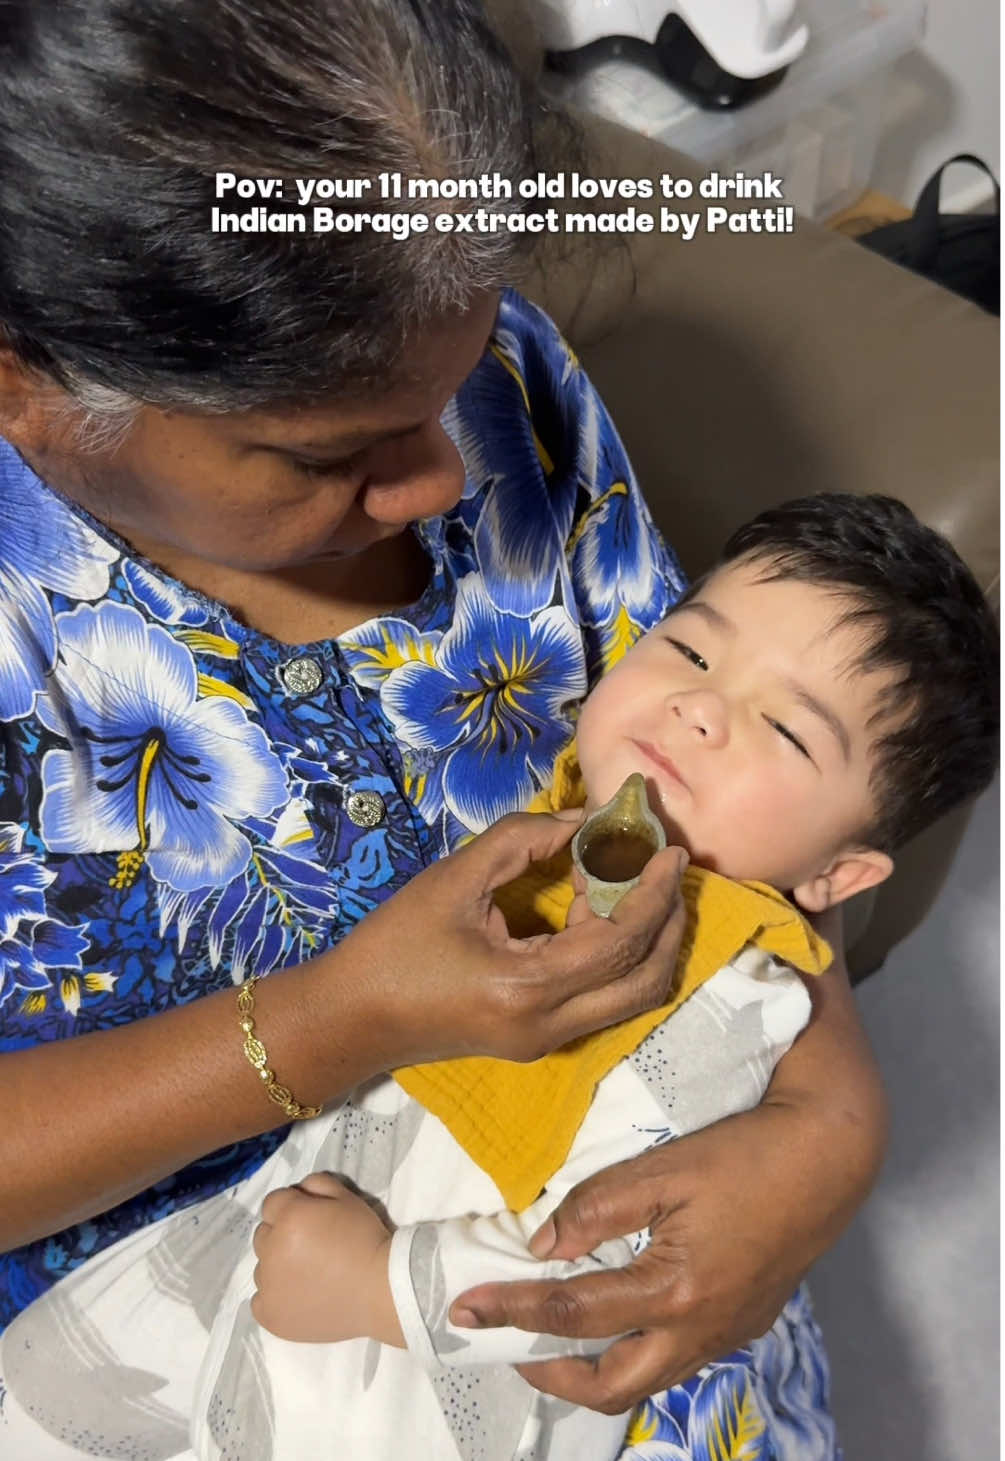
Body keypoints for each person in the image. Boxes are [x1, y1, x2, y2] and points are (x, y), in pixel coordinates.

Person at [0, 3, 897, 1458]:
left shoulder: (496, 381)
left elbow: (737, 799)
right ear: (26, 383)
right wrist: (334, 1019)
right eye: (326, 453)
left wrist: (826, 1128)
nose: (440, 476)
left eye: (458, 376)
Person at [199, 493, 998, 1460]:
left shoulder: (732, 996)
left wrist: (380, 1287)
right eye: (691, 651)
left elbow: (617, 1264)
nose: (698, 707)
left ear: (831, 881)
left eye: (786, 731)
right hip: (289, 1237)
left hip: (418, 1371)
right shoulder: (570, 815)